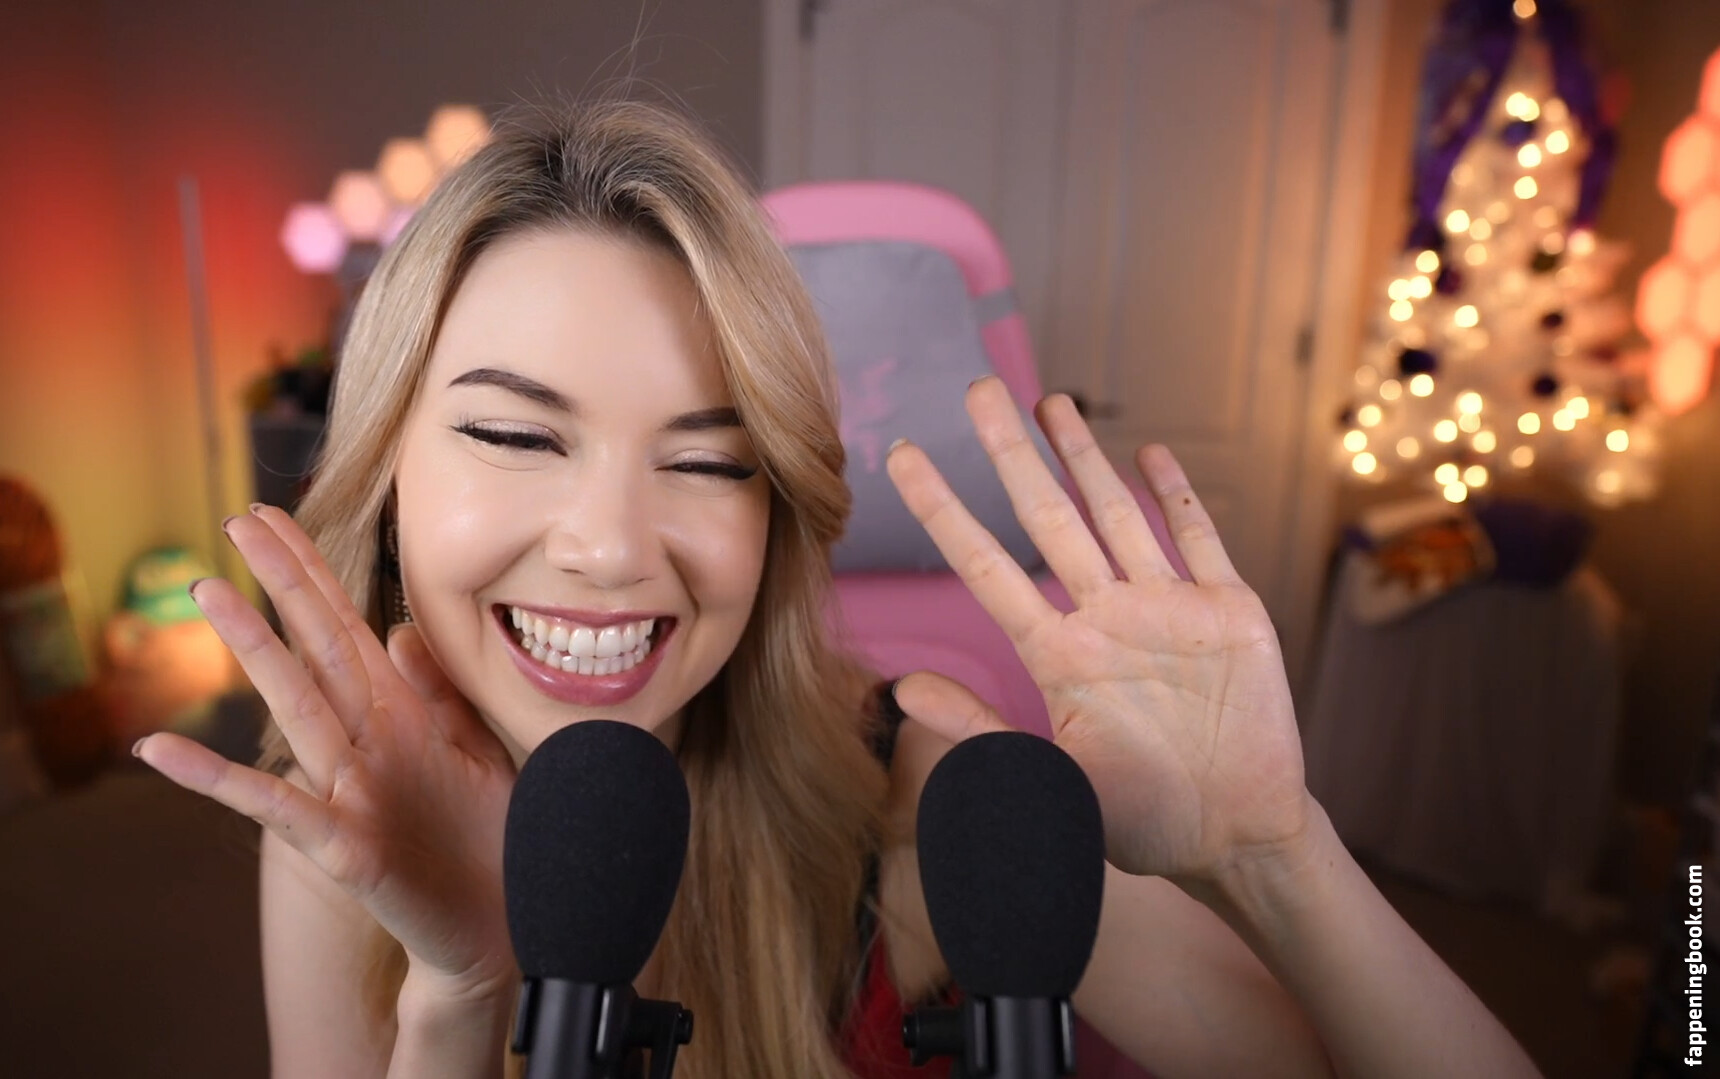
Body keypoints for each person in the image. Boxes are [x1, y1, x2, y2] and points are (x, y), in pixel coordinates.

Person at [135, 100, 1540, 1079]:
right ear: (386, 463)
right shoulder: (339, 829)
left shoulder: (916, 799)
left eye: (711, 462)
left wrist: (1279, 857)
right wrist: (460, 995)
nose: (612, 549)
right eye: (514, 435)